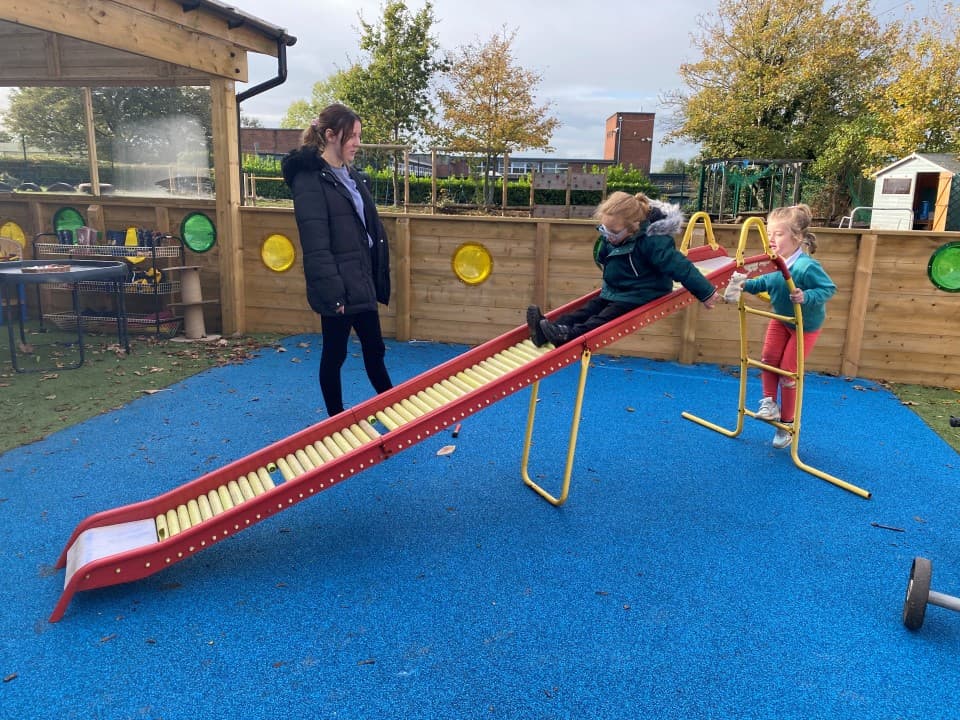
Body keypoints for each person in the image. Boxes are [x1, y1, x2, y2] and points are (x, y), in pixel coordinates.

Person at [281, 103, 393, 417]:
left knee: (375, 349)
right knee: (335, 354)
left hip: (361, 278)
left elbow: (366, 229)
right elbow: (316, 245)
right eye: (352, 136)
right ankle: (336, 418)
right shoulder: (310, 180)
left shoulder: (351, 175)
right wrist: (334, 295)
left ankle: (394, 409)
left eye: (359, 135)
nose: (358, 142)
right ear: (331, 135)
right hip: (339, 286)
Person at [527, 191, 718, 348]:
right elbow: (604, 256)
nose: (609, 236)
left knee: (603, 319)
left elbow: (680, 267)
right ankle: (548, 330)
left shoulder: (654, 241)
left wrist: (706, 292)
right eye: (605, 230)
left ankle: (569, 336)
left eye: (614, 232)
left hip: (642, 293)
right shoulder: (614, 236)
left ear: (635, 226)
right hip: (616, 290)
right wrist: (604, 246)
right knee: (586, 310)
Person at [723, 203, 836, 449]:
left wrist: (806, 296)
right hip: (782, 319)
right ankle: (769, 403)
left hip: (804, 325)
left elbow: (828, 289)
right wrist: (744, 284)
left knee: (787, 372)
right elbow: (765, 282)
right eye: (769, 233)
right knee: (768, 358)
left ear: (797, 237)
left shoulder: (806, 266)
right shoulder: (774, 261)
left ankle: (786, 425)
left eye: (779, 234)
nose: (771, 239)